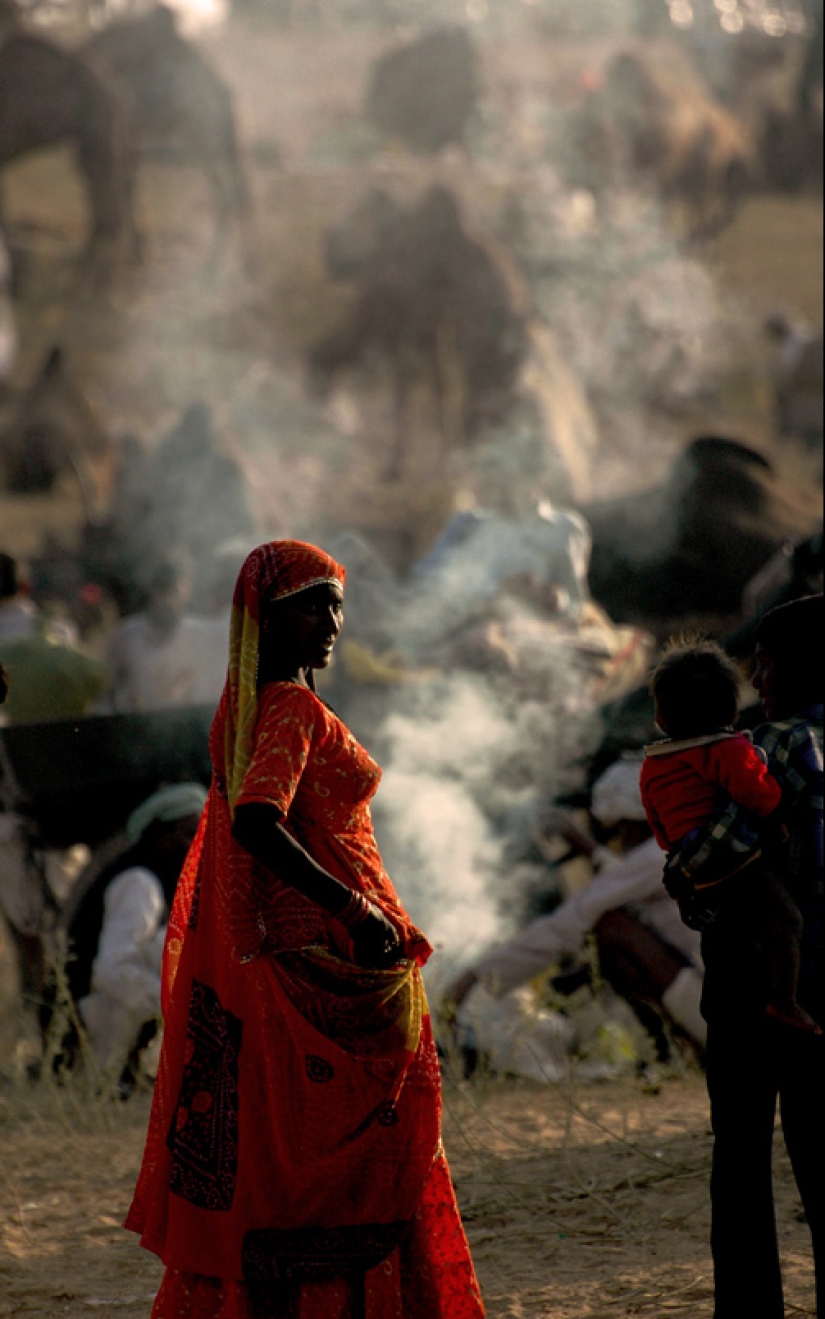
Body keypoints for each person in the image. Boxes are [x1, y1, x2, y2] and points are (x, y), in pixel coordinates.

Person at [125, 540, 486, 1319]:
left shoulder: (244, 703)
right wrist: (358, 910)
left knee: (289, 1148)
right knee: (375, 1142)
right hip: (327, 959)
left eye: (336, 603)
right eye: (310, 604)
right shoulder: (288, 706)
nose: (330, 620)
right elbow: (259, 817)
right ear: (265, 617)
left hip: (295, 960)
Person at [667, 594, 823, 1319]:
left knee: (740, 1156)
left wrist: (681, 870)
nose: (757, 673)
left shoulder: (779, 742)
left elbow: (714, 852)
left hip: (747, 972)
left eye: (766, 658)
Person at [443, 756, 707, 1070]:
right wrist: (588, 849)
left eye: (616, 828)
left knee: (609, 928)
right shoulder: (672, 851)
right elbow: (626, 881)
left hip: (720, 1015)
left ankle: (680, 1053)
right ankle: (683, 1053)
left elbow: (569, 923)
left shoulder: (657, 856)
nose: (616, 838)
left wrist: (477, 977)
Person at [641, 638, 819, 1035]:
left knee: (728, 952)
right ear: (730, 708)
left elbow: (657, 821)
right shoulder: (727, 749)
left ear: (661, 717)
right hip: (738, 865)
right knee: (786, 920)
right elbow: (756, 792)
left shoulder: (654, 764)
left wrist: (680, 858)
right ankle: (785, 1001)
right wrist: (776, 818)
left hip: (693, 870)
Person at [43, 782, 208, 1094]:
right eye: (189, 834)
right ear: (161, 838)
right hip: (91, 1025)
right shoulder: (139, 883)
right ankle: (117, 1076)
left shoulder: (164, 882)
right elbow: (110, 973)